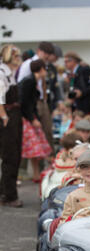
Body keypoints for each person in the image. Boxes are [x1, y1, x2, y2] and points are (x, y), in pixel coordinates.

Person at [17, 41, 55, 155]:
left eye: (49, 54)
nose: (47, 56)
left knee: (46, 131)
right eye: (45, 53)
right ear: (39, 51)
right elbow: (22, 87)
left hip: (42, 100)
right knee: (31, 135)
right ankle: (28, 165)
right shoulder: (28, 64)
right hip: (31, 102)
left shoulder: (46, 65)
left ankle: (46, 159)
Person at [18, 59, 52, 182]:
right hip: (26, 118)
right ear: (41, 69)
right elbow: (25, 102)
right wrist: (32, 119)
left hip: (28, 117)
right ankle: (34, 173)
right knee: (33, 147)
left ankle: (36, 174)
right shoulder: (30, 81)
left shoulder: (32, 80)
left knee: (34, 148)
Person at [0, 44, 23, 208]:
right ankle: (8, 195)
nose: (19, 59)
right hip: (7, 118)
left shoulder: (10, 73)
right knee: (10, 156)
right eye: (16, 56)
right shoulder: (2, 74)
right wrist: (4, 116)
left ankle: (7, 191)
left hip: (14, 115)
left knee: (14, 155)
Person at [64, 51, 90, 116]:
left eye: (67, 61)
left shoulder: (87, 69)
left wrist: (82, 92)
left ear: (74, 61)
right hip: (76, 106)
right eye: (65, 62)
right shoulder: (71, 74)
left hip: (87, 105)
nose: (65, 64)